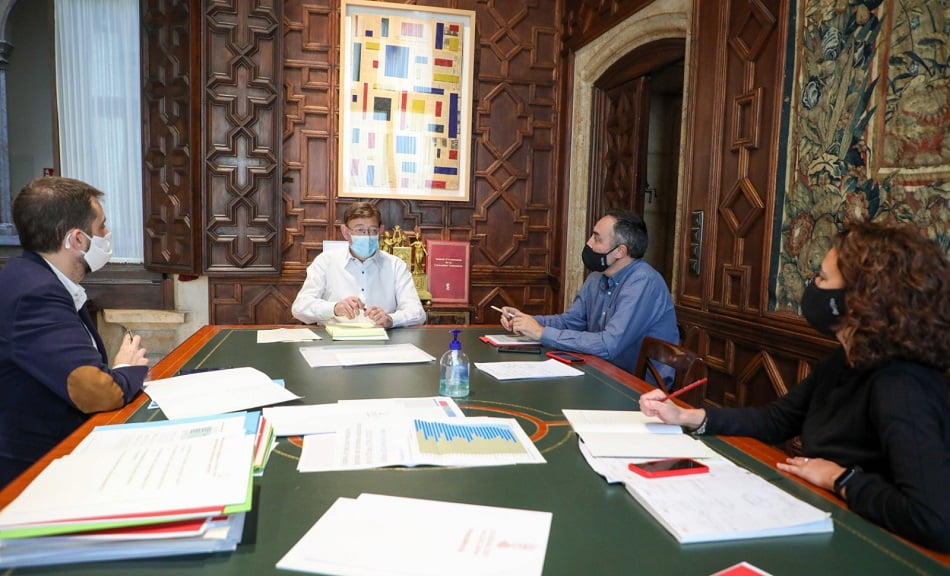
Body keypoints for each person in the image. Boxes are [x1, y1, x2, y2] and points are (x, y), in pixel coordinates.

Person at [640, 221, 950, 552]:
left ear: (858, 300)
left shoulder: (902, 385)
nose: (812, 286)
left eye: (822, 279)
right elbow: (776, 420)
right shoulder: (846, 359)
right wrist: (687, 417)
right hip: (828, 518)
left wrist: (841, 479)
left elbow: (934, 521)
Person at [0, 177, 149, 488]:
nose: (107, 235)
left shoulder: (32, 275)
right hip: (34, 471)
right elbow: (96, 392)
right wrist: (126, 370)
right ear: (78, 240)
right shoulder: (35, 293)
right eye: (101, 227)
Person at [500, 210, 679, 381]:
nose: (589, 243)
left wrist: (541, 333)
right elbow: (571, 322)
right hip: (602, 372)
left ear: (620, 251)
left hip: (640, 387)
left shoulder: (643, 282)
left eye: (597, 238)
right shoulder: (596, 277)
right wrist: (526, 321)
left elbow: (608, 345)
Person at [292, 202, 426, 327]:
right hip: (334, 338)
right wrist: (334, 308)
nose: (367, 236)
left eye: (373, 230)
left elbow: (417, 313)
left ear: (381, 230)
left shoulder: (396, 265)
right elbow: (299, 308)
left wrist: (391, 319)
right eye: (360, 230)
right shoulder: (325, 262)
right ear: (346, 232)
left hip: (383, 339)